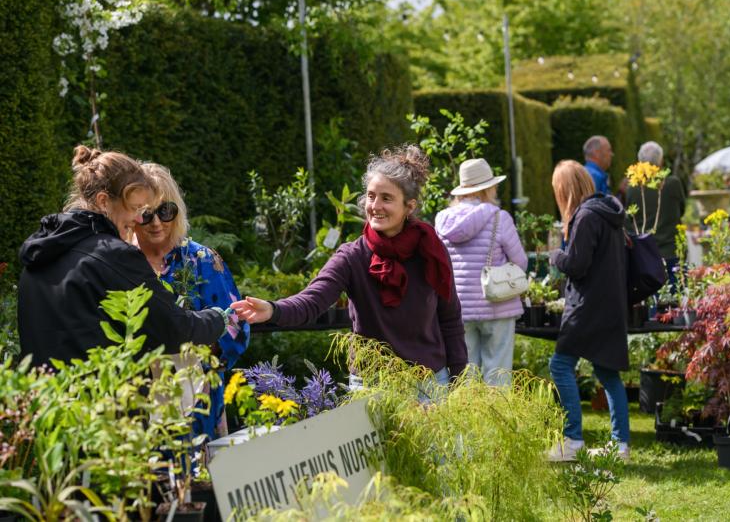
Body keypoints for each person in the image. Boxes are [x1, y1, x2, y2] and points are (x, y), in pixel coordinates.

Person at [232, 145, 467, 388]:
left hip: (429, 385)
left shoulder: (431, 251)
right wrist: (273, 310)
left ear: (409, 206)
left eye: (386, 198)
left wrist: (460, 381)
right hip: (371, 386)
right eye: (371, 196)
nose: (375, 206)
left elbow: (450, 318)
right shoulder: (352, 256)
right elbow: (312, 301)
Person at [18, 146, 227, 367]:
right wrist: (218, 318)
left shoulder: (41, 254)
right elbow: (173, 329)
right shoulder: (113, 255)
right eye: (136, 208)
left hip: (44, 388)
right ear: (103, 201)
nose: (139, 219)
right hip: (98, 388)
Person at [134, 162, 249, 439]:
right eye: (146, 214)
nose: (157, 222)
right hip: (139, 399)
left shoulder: (201, 260)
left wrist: (197, 352)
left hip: (200, 398)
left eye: (165, 211)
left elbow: (236, 324)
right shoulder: (122, 263)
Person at [547, 160, 630, 462]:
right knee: (607, 372)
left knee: (560, 365)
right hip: (610, 304)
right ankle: (620, 445)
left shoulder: (585, 217)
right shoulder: (608, 214)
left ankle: (573, 440)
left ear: (565, 190)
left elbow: (577, 265)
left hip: (587, 306)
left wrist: (556, 255)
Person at [434, 158, 526, 386]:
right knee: (498, 376)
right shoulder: (499, 218)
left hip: (458, 308)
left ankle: (468, 411)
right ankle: (496, 411)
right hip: (498, 305)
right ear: (488, 188)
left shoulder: (442, 221)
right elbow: (520, 262)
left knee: (465, 375)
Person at [625, 141, 686, 288]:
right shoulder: (673, 183)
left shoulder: (632, 188)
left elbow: (630, 219)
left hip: (645, 255)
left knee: (651, 297)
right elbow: (682, 209)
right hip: (671, 250)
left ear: (640, 163)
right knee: (675, 295)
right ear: (661, 161)